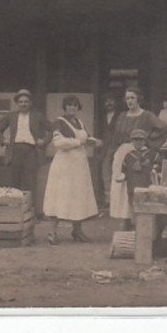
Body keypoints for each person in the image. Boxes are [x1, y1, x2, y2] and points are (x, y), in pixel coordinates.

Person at [42, 95, 101, 245]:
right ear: (65, 107)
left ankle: (77, 231)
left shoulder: (79, 122)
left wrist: (94, 142)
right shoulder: (59, 122)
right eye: (69, 105)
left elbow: (86, 138)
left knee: (78, 195)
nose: (72, 108)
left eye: (75, 105)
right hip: (64, 165)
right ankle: (52, 232)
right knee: (59, 195)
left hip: (79, 164)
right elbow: (58, 142)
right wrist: (78, 142)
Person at [109, 87, 167, 227]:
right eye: (127, 98)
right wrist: (114, 153)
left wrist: (148, 143)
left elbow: (164, 128)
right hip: (122, 153)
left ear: (139, 99)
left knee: (138, 185)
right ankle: (125, 219)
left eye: (132, 98)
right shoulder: (122, 116)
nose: (129, 101)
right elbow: (116, 136)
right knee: (121, 187)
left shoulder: (146, 115)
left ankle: (139, 220)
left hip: (138, 154)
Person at [0, 88, 50, 198]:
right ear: (17, 103)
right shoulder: (11, 116)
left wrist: (44, 141)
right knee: (15, 181)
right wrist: (3, 140)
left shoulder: (37, 116)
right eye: (21, 102)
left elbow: (52, 129)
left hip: (31, 151)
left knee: (31, 182)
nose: (23, 104)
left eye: (26, 101)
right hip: (15, 150)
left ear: (30, 103)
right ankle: (17, 211)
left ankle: (34, 211)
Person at [117, 129, 162, 227]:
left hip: (147, 184)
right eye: (135, 140)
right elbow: (124, 170)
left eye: (140, 140)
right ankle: (135, 225)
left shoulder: (152, 154)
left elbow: (159, 165)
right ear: (132, 141)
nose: (138, 142)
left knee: (148, 205)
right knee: (133, 206)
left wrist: (154, 169)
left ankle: (147, 225)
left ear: (145, 141)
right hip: (133, 185)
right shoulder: (128, 155)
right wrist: (121, 176)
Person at [99, 92, 122, 208]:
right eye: (107, 101)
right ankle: (108, 199)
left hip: (117, 147)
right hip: (105, 148)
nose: (109, 103)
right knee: (105, 172)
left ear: (116, 102)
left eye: (111, 100)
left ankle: (117, 199)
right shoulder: (101, 116)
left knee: (117, 171)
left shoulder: (121, 116)